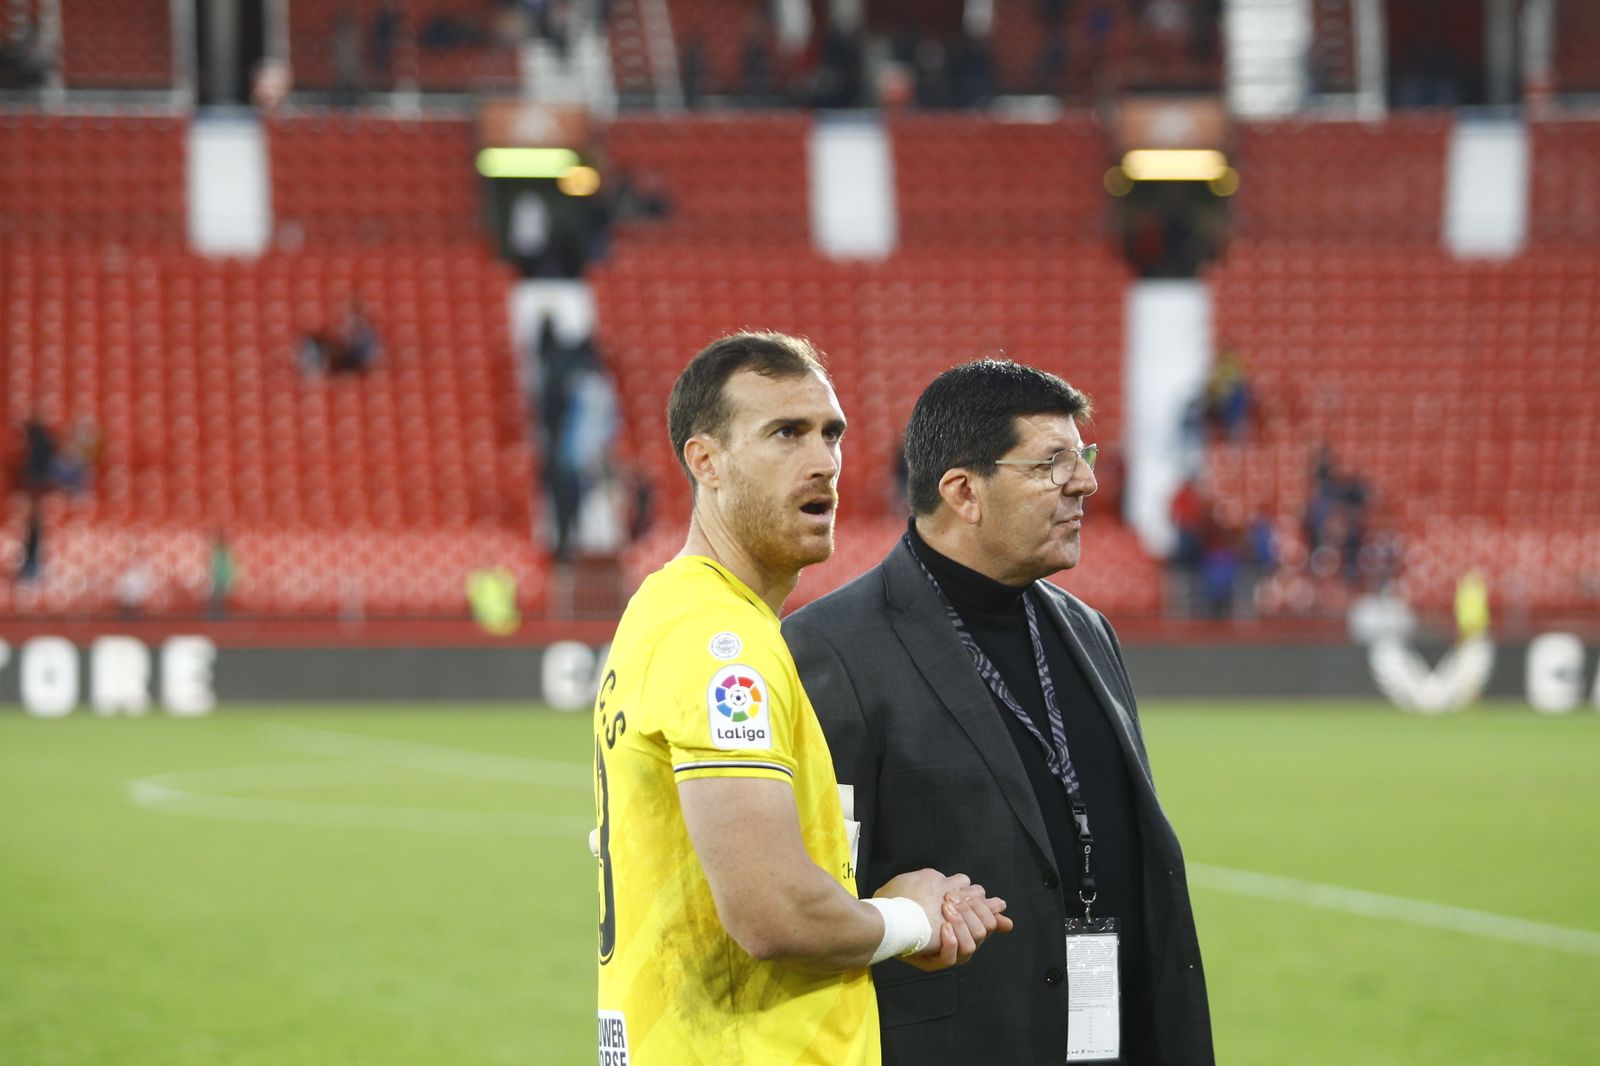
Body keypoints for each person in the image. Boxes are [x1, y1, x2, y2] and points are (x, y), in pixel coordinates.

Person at [592, 332, 1011, 1065]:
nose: (823, 462)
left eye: (831, 434)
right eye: (785, 433)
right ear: (706, 462)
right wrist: (910, 919)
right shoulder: (721, 643)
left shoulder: (663, 612)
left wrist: (861, 906)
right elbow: (772, 912)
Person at [785, 359, 1213, 1065]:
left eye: (1084, 457)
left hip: (1114, 1035)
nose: (1086, 482)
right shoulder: (828, 651)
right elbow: (807, 901)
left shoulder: (1087, 630)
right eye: (1052, 463)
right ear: (963, 492)